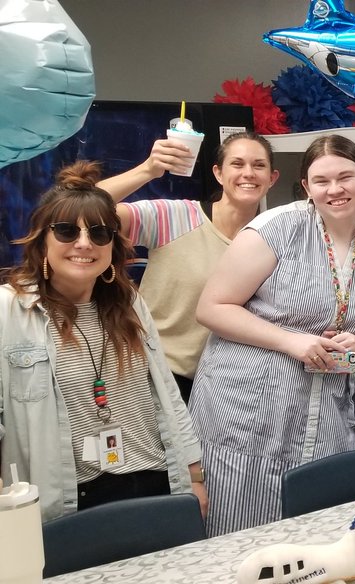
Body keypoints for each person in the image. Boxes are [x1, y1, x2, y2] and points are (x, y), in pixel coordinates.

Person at [189, 134, 355, 536]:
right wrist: (293, 342)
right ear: (306, 187)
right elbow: (212, 308)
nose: (335, 189)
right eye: (321, 181)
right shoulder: (275, 229)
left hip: (333, 410)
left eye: (345, 177)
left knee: (318, 527)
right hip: (252, 407)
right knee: (245, 522)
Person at [0, 161, 206, 522]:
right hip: (67, 500)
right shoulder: (9, 310)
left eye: (99, 233)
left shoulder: (129, 303)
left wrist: (194, 475)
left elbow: (167, 395)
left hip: (154, 481)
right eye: (66, 231)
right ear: (41, 239)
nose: (84, 243)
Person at [97, 132, 280, 402]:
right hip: (154, 376)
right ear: (218, 173)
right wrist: (148, 170)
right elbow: (85, 210)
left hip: (228, 387)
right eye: (237, 164)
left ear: (272, 178)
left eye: (259, 165)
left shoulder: (276, 239)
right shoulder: (176, 217)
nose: (248, 173)